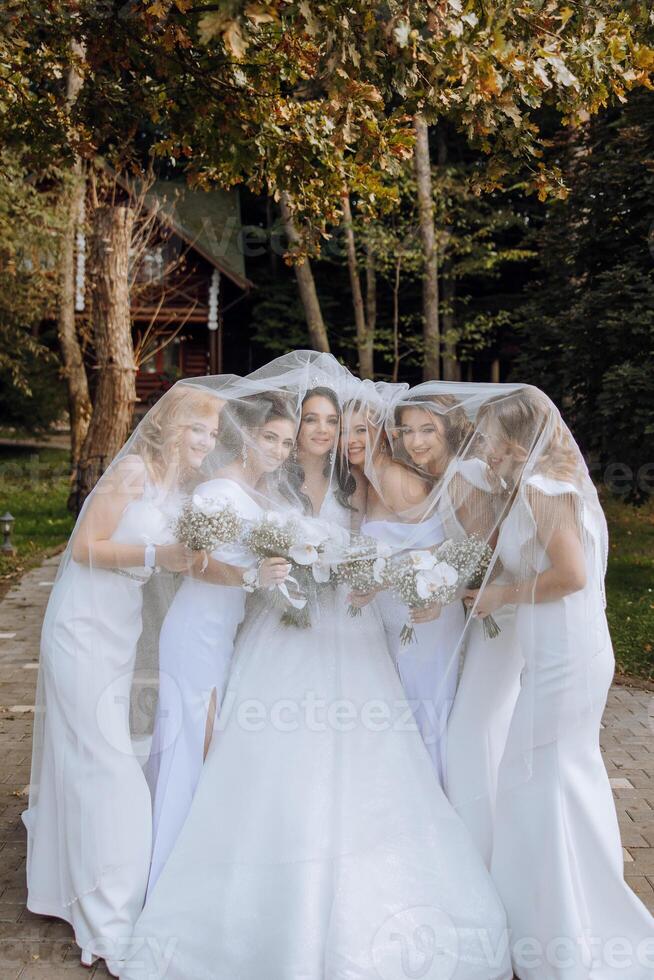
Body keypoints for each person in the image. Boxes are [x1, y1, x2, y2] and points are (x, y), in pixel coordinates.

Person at [117, 361, 512, 980]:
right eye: (313, 421)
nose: (325, 432)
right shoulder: (267, 482)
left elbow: (408, 537)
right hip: (283, 626)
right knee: (265, 752)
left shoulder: (361, 484)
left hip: (351, 631)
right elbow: (240, 549)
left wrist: (397, 571)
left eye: (335, 422)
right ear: (292, 427)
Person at [22, 384, 222, 976]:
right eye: (197, 429)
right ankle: (111, 922)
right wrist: (159, 557)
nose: (205, 443)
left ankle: (65, 886)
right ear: (170, 427)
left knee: (85, 760)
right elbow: (84, 547)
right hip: (81, 628)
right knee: (109, 769)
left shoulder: (175, 487)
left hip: (118, 630)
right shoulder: (133, 470)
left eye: (212, 434)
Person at [467, 386, 654, 979]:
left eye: (491, 437)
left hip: (565, 658)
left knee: (534, 778)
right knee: (561, 776)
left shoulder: (545, 489)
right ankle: (564, 914)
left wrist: (501, 594)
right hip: (566, 651)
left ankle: (559, 930)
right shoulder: (544, 483)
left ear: (515, 440)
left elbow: (570, 575)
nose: (484, 447)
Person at [145, 392, 296, 894]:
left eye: (286, 443)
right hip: (195, 631)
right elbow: (198, 563)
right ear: (246, 435)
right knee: (191, 744)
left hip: (222, 633)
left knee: (199, 745)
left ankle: (185, 860)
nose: (278, 450)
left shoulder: (253, 492)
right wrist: (255, 577)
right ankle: (163, 876)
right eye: (269, 438)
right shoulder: (217, 490)